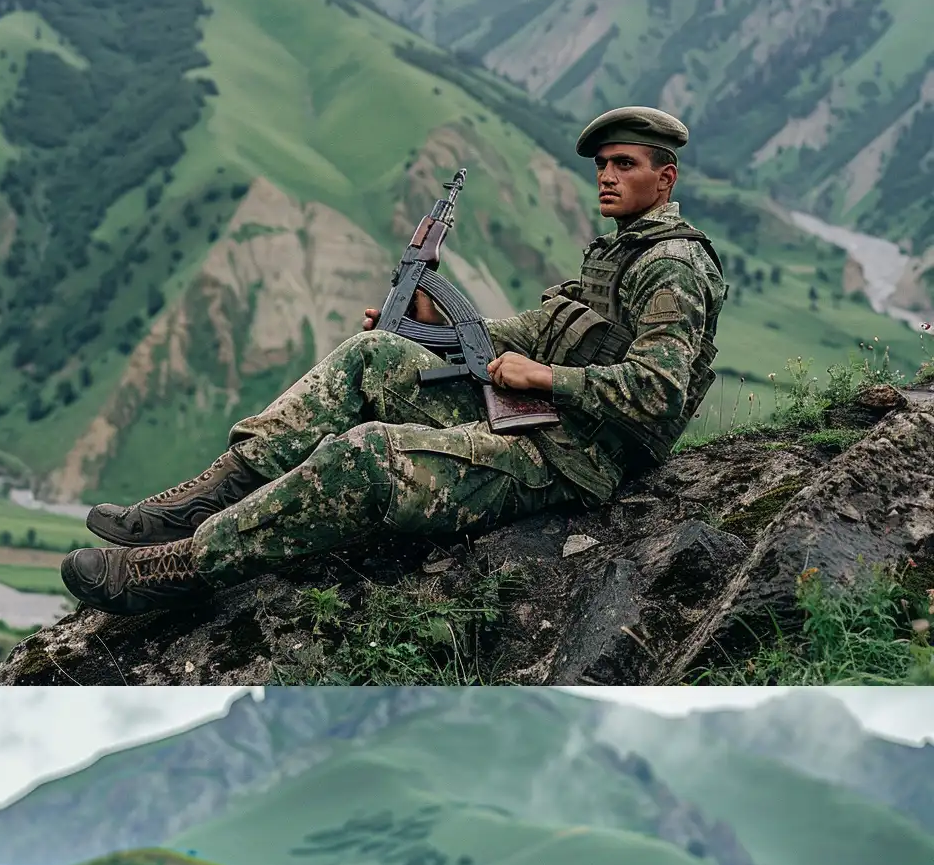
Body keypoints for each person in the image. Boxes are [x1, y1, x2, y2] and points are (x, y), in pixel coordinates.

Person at [60, 107, 726, 614]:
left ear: (664, 178)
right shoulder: (618, 252)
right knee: (374, 352)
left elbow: (657, 390)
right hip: (533, 419)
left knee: (368, 455)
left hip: (572, 460)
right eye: (603, 164)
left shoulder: (670, 266)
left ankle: (182, 568)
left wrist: (547, 377)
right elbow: (535, 328)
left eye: (625, 165)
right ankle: (204, 499)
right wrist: (430, 330)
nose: (607, 176)